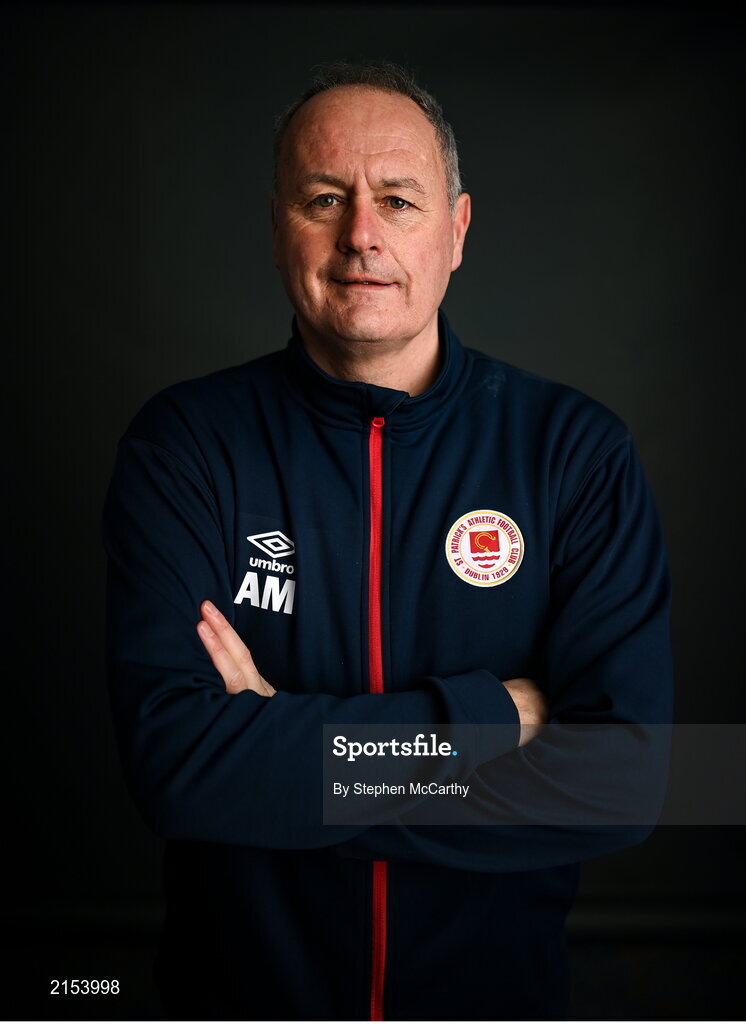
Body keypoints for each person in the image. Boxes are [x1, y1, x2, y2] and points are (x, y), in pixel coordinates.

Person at [103, 60, 673, 1021]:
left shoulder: (575, 452)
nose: (360, 234)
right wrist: (489, 723)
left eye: (398, 201)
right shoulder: (186, 446)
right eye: (324, 197)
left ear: (456, 231)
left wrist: (283, 763)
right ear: (278, 224)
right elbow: (179, 774)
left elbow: (628, 783)